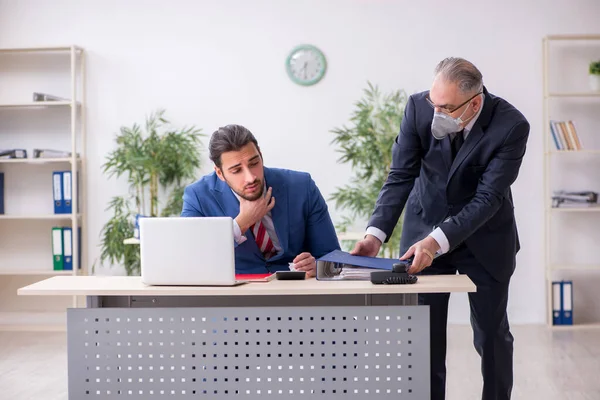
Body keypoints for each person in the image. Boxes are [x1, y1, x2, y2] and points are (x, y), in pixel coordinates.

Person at [351, 57, 529, 400]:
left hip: (486, 236)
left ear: (473, 103)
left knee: (491, 335)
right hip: (423, 230)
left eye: (445, 107)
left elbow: (489, 198)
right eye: (434, 104)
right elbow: (400, 175)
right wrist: (375, 235)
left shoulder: (511, 126)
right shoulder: (418, 107)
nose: (436, 113)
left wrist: (437, 241)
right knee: (424, 337)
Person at [181, 124, 340, 277]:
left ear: (261, 156)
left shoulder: (301, 186)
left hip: (295, 291)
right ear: (220, 173)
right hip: (235, 296)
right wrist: (241, 223)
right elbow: (191, 258)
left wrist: (318, 267)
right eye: (236, 170)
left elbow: (333, 259)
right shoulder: (198, 196)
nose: (251, 177)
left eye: (254, 163)